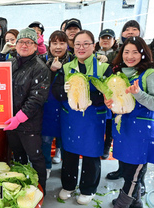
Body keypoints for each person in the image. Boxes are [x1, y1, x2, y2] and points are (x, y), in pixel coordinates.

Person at [52, 30, 113, 205]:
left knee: (91, 154)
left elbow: (109, 94)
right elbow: (56, 90)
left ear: (93, 46)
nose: (81, 47)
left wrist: (88, 98)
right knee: (69, 152)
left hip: (93, 118)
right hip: (71, 117)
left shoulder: (103, 67)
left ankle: (88, 188)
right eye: (78, 44)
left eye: (86, 43)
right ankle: (69, 185)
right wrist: (65, 92)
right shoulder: (66, 67)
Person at [104, 36, 154, 208]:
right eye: (126, 52)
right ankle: (136, 202)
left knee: (134, 174)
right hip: (124, 130)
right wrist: (110, 104)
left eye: (135, 52)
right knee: (127, 170)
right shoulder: (119, 74)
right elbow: (118, 103)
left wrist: (139, 94)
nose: (130, 56)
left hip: (141, 133)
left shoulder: (150, 74)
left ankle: (122, 204)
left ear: (143, 54)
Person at [3, 27, 51, 194]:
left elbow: (37, 98)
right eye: (21, 42)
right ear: (15, 45)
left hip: (29, 123)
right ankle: (23, 188)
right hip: (11, 121)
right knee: (18, 156)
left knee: (36, 158)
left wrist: (19, 118)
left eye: (29, 42)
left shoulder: (40, 68)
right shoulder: (11, 63)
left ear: (35, 46)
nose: (24, 45)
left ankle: (40, 191)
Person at [41, 30, 72, 178]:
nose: (58, 47)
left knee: (65, 139)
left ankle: (67, 168)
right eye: (54, 43)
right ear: (49, 44)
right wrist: (50, 71)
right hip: (47, 107)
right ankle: (46, 166)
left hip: (66, 107)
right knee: (46, 140)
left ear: (67, 44)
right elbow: (39, 82)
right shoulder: (42, 60)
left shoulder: (73, 61)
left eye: (62, 43)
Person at [94, 28, 118, 160]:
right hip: (97, 91)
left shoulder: (117, 54)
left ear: (114, 40)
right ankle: (97, 145)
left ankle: (106, 147)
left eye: (109, 38)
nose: (106, 40)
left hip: (112, 90)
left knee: (109, 121)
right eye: (103, 37)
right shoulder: (94, 53)